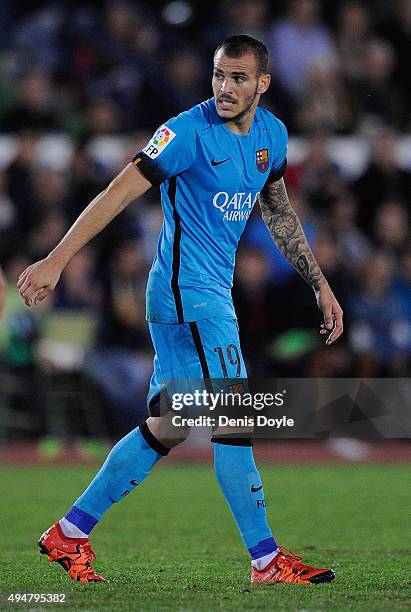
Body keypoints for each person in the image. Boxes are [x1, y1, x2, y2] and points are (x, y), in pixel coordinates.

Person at [17, 35, 343, 586]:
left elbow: (279, 214)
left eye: (239, 78)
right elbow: (117, 193)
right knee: (235, 417)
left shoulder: (272, 136)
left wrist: (320, 284)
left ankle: (70, 533)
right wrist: (56, 259)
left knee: (170, 425)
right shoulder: (186, 132)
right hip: (189, 297)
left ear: (262, 83)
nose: (225, 87)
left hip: (201, 296)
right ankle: (266, 560)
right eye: (219, 75)